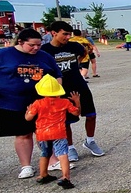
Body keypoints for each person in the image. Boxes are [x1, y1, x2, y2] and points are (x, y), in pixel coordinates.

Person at [0, 28, 61, 179]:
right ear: (20, 42)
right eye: (32, 45)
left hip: (41, 101)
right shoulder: (2, 54)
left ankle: (52, 161)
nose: (36, 48)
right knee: (23, 134)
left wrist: (56, 94)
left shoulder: (45, 56)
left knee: (44, 132)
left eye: (39, 45)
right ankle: (26, 166)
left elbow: (57, 75)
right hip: (12, 102)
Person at [40, 21, 105, 163]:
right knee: (66, 120)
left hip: (79, 84)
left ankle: (90, 140)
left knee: (91, 115)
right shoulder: (45, 50)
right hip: (60, 88)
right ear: (54, 33)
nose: (68, 37)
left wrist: (76, 63)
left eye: (69, 34)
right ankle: (69, 147)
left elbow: (84, 52)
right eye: (64, 34)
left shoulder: (74, 46)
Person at [25, 74, 79, 189]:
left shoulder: (37, 103)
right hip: (59, 132)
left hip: (42, 133)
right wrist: (76, 101)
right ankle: (65, 177)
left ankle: (43, 174)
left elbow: (28, 118)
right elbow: (76, 113)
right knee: (62, 154)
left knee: (45, 153)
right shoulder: (64, 102)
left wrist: (27, 111)